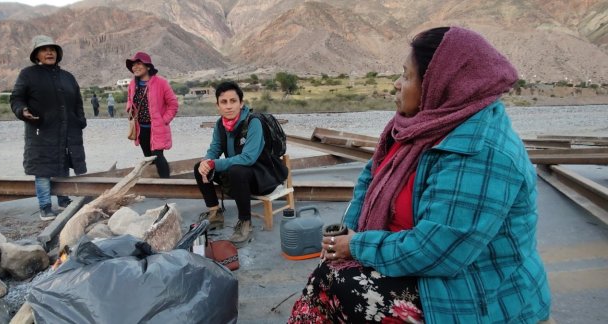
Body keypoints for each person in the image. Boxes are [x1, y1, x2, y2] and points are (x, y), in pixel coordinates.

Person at [288, 27, 551, 323]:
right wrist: (345, 236)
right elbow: (369, 179)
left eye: (407, 75)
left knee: (346, 287)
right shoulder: (416, 127)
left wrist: (356, 245)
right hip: (420, 267)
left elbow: (438, 249)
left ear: (439, 85)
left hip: (473, 292)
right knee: (328, 273)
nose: (397, 84)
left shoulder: (483, 151)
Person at [194, 81, 287, 248]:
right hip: (238, 177)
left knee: (238, 170)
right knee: (199, 168)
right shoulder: (219, 125)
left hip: (262, 177)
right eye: (224, 102)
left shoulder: (253, 122)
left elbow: (248, 158)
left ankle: (245, 222)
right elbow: (214, 149)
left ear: (241, 103)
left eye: (233, 101)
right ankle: (215, 213)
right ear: (217, 105)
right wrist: (206, 161)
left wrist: (214, 163)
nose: (229, 106)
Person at [10, 35, 87, 221]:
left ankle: (63, 200)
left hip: (68, 129)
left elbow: (78, 101)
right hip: (41, 130)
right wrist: (22, 111)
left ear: (58, 53)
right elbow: (16, 98)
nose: (49, 52)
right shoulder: (28, 74)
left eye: (52, 49)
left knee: (63, 165)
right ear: (36, 55)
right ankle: (45, 207)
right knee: (43, 171)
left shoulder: (68, 77)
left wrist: (80, 119)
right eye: (44, 50)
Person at [125, 51, 178, 178]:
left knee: (158, 156)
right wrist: (129, 108)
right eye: (133, 65)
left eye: (138, 63)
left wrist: (164, 120)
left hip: (157, 128)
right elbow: (129, 99)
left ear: (148, 67)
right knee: (149, 158)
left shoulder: (161, 83)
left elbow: (173, 104)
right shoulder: (133, 84)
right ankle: (156, 185)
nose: (135, 67)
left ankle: (166, 185)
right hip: (141, 129)